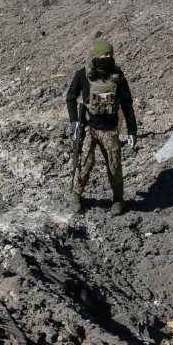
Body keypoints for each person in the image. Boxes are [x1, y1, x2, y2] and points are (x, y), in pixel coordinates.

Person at [66, 38, 136, 215]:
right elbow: (70, 97)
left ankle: (118, 199)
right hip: (88, 127)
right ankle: (76, 195)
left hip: (110, 129)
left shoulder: (118, 77)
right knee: (84, 163)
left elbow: (127, 104)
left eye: (111, 54)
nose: (108, 57)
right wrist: (74, 120)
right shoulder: (83, 74)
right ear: (97, 55)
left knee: (114, 165)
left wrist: (132, 130)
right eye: (105, 54)